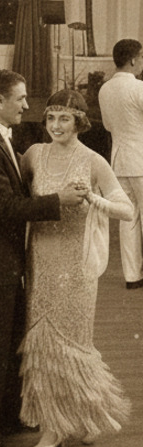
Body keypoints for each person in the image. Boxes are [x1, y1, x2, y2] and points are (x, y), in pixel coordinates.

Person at [0, 69, 80, 447]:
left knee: (9, 341)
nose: (27, 106)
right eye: (21, 99)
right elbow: (5, 208)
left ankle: (6, 418)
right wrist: (57, 200)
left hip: (2, 257)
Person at [19, 89, 132, 447]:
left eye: (64, 119)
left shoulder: (94, 161)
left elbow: (126, 209)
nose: (55, 126)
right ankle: (73, 418)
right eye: (51, 118)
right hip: (41, 259)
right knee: (44, 343)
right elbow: (17, 198)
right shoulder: (34, 154)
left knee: (73, 344)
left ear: (79, 121)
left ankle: (57, 428)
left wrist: (92, 199)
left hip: (77, 267)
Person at [97, 38, 143, 289]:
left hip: (118, 161)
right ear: (134, 59)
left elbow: (107, 126)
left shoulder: (105, 89)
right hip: (141, 160)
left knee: (129, 219)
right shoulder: (139, 89)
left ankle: (132, 276)